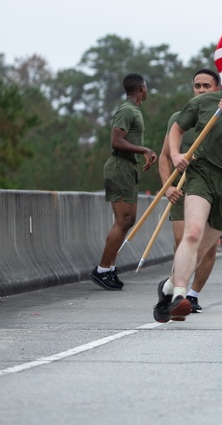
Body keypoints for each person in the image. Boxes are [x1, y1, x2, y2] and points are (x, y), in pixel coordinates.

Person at [154, 55, 222, 322]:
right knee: (192, 234)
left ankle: (168, 287)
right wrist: (175, 154)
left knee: (204, 248)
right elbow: (177, 129)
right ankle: (179, 295)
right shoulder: (202, 103)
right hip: (202, 174)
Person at [157, 68, 220, 312]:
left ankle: (192, 294)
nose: (201, 90)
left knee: (209, 247)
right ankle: (176, 291)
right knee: (184, 240)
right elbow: (164, 157)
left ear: (217, 88)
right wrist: (167, 187)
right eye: (197, 86)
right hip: (184, 189)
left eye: (207, 86)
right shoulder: (178, 118)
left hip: (212, 187)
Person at [91, 73, 157, 290]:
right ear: (141, 88)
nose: (147, 91)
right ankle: (102, 270)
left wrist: (142, 154)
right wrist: (144, 149)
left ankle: (110, 268)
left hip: (129, 168)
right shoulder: (127, 110)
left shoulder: (135, 111)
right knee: (122, 220)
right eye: (146, 88)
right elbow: (116, 141)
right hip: (119, 167)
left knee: (129, 220)